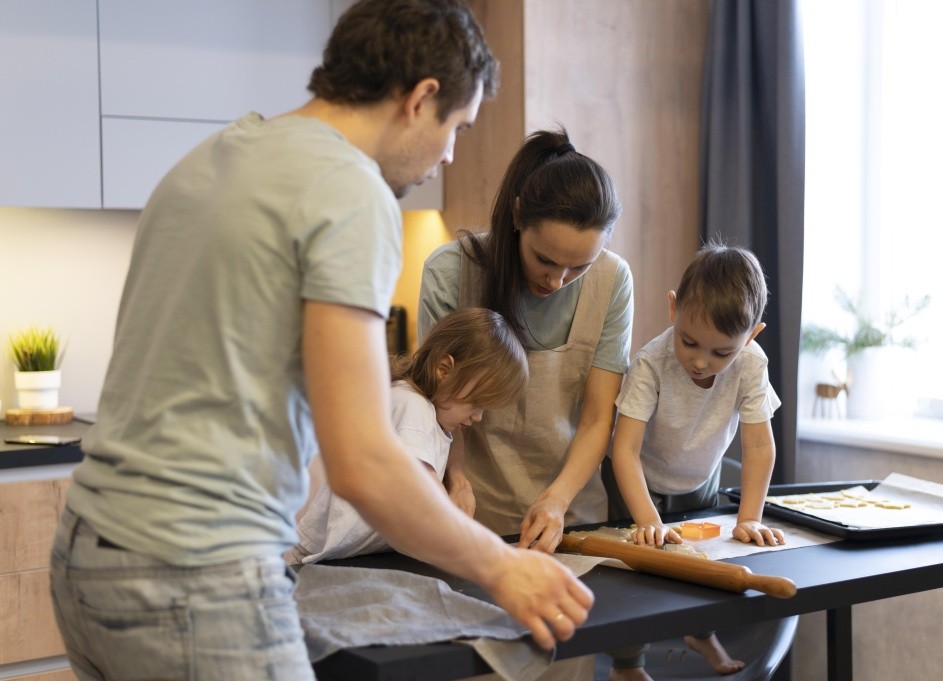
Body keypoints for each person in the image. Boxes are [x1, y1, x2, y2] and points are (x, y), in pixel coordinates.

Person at [49, 3, 593, 680]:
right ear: (421, 98)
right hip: (192, 569)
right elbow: (364, 460)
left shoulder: (213, 157)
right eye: (456, 126)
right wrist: (504, 567)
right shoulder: (348, 190)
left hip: (85, 554)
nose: (448, 154)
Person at [418, 127, 634, 551]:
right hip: (473, 514)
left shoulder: (613, 280)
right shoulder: (451, 273)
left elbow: (595, 420)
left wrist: (557, 499)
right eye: (545, 260)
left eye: (578, 268)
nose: (557, 281)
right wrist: (456, 478)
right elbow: (436, 401)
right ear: (517, 217)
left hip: (573, 518)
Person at [607, 241, 786, 679]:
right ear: (673, 309)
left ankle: (701, 633)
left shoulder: (751, 364)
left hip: (699, 481)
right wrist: (647, 519)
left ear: (752, 335)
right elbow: (623, 450)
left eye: (722, 352)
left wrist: (750, 517)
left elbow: (760, 447)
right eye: (689, 343)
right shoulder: (651, 362)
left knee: (706, 563)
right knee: (638, 575)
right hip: (636, 481)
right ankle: (627, 664)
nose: (702, 361)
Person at [288, 307, 528, 567]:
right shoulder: (412, 407)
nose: (478, 417)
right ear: (444, 369)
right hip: (320, 559)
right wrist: (485, 551)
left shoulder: (430, 413)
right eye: (476, 403)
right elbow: (423, 492)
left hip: (353, 558)